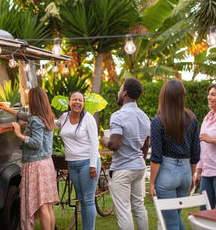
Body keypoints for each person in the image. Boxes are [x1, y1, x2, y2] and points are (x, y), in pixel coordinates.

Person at [0, 87, 59, 230]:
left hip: (36, 165)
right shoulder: (47, 116)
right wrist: (8, 110)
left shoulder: (36, 120)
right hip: (46, 164)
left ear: (33, 101)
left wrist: (19, 134)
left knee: (42, 207)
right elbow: (26, 116)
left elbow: (36, 143)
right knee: (48, 206)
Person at [149, 80, 200, 230]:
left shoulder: (158, 121)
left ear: (164, 96)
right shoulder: (192, 118)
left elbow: (156, 156)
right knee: (175, 218)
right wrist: (191, 174)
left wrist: (151, 183)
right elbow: (195, 152)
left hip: (166, 173)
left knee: (171, 222)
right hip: (185, 172)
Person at [103, 78, 150, 230]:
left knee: (123, 210)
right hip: (139, 167)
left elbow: (115, 144)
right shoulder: (144, 116)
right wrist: (137, 159)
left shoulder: (118, 116)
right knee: (139, 207)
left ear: (124, 93)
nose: (118, 91)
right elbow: (146, 146)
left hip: (122, 169)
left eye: (120, 89)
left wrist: (105, 141)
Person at [55, 91, 101, 230]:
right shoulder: (64, 117)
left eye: (80, 100)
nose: (77, 102)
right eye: (75, 99)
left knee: (88, 199)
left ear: (83, 103)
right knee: (81, 199)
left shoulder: (88, 118)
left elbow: (94, 142)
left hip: (87, 163)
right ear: (69, 102)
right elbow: (54, 124)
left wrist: (93, 165)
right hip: (72, 164)